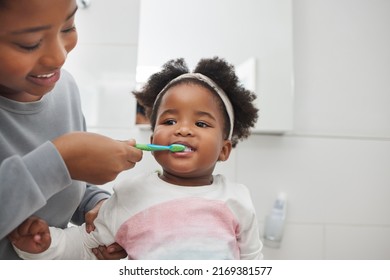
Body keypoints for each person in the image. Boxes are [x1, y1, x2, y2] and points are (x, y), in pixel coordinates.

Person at [11, 57, 262, 260]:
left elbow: (253, 262)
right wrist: (43, 244)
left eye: (200, 123)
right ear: (153, 138)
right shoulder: (130, 195)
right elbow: (86, 246)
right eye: (170, 121)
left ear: (224, 150)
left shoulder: (237, 200)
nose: (183, 130)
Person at [0, 0, 142, 259]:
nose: (59, 57)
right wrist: (60, 161)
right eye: (30, 42)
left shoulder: (65, 87)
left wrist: (97, 205)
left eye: (68, 27)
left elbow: (71, 185)